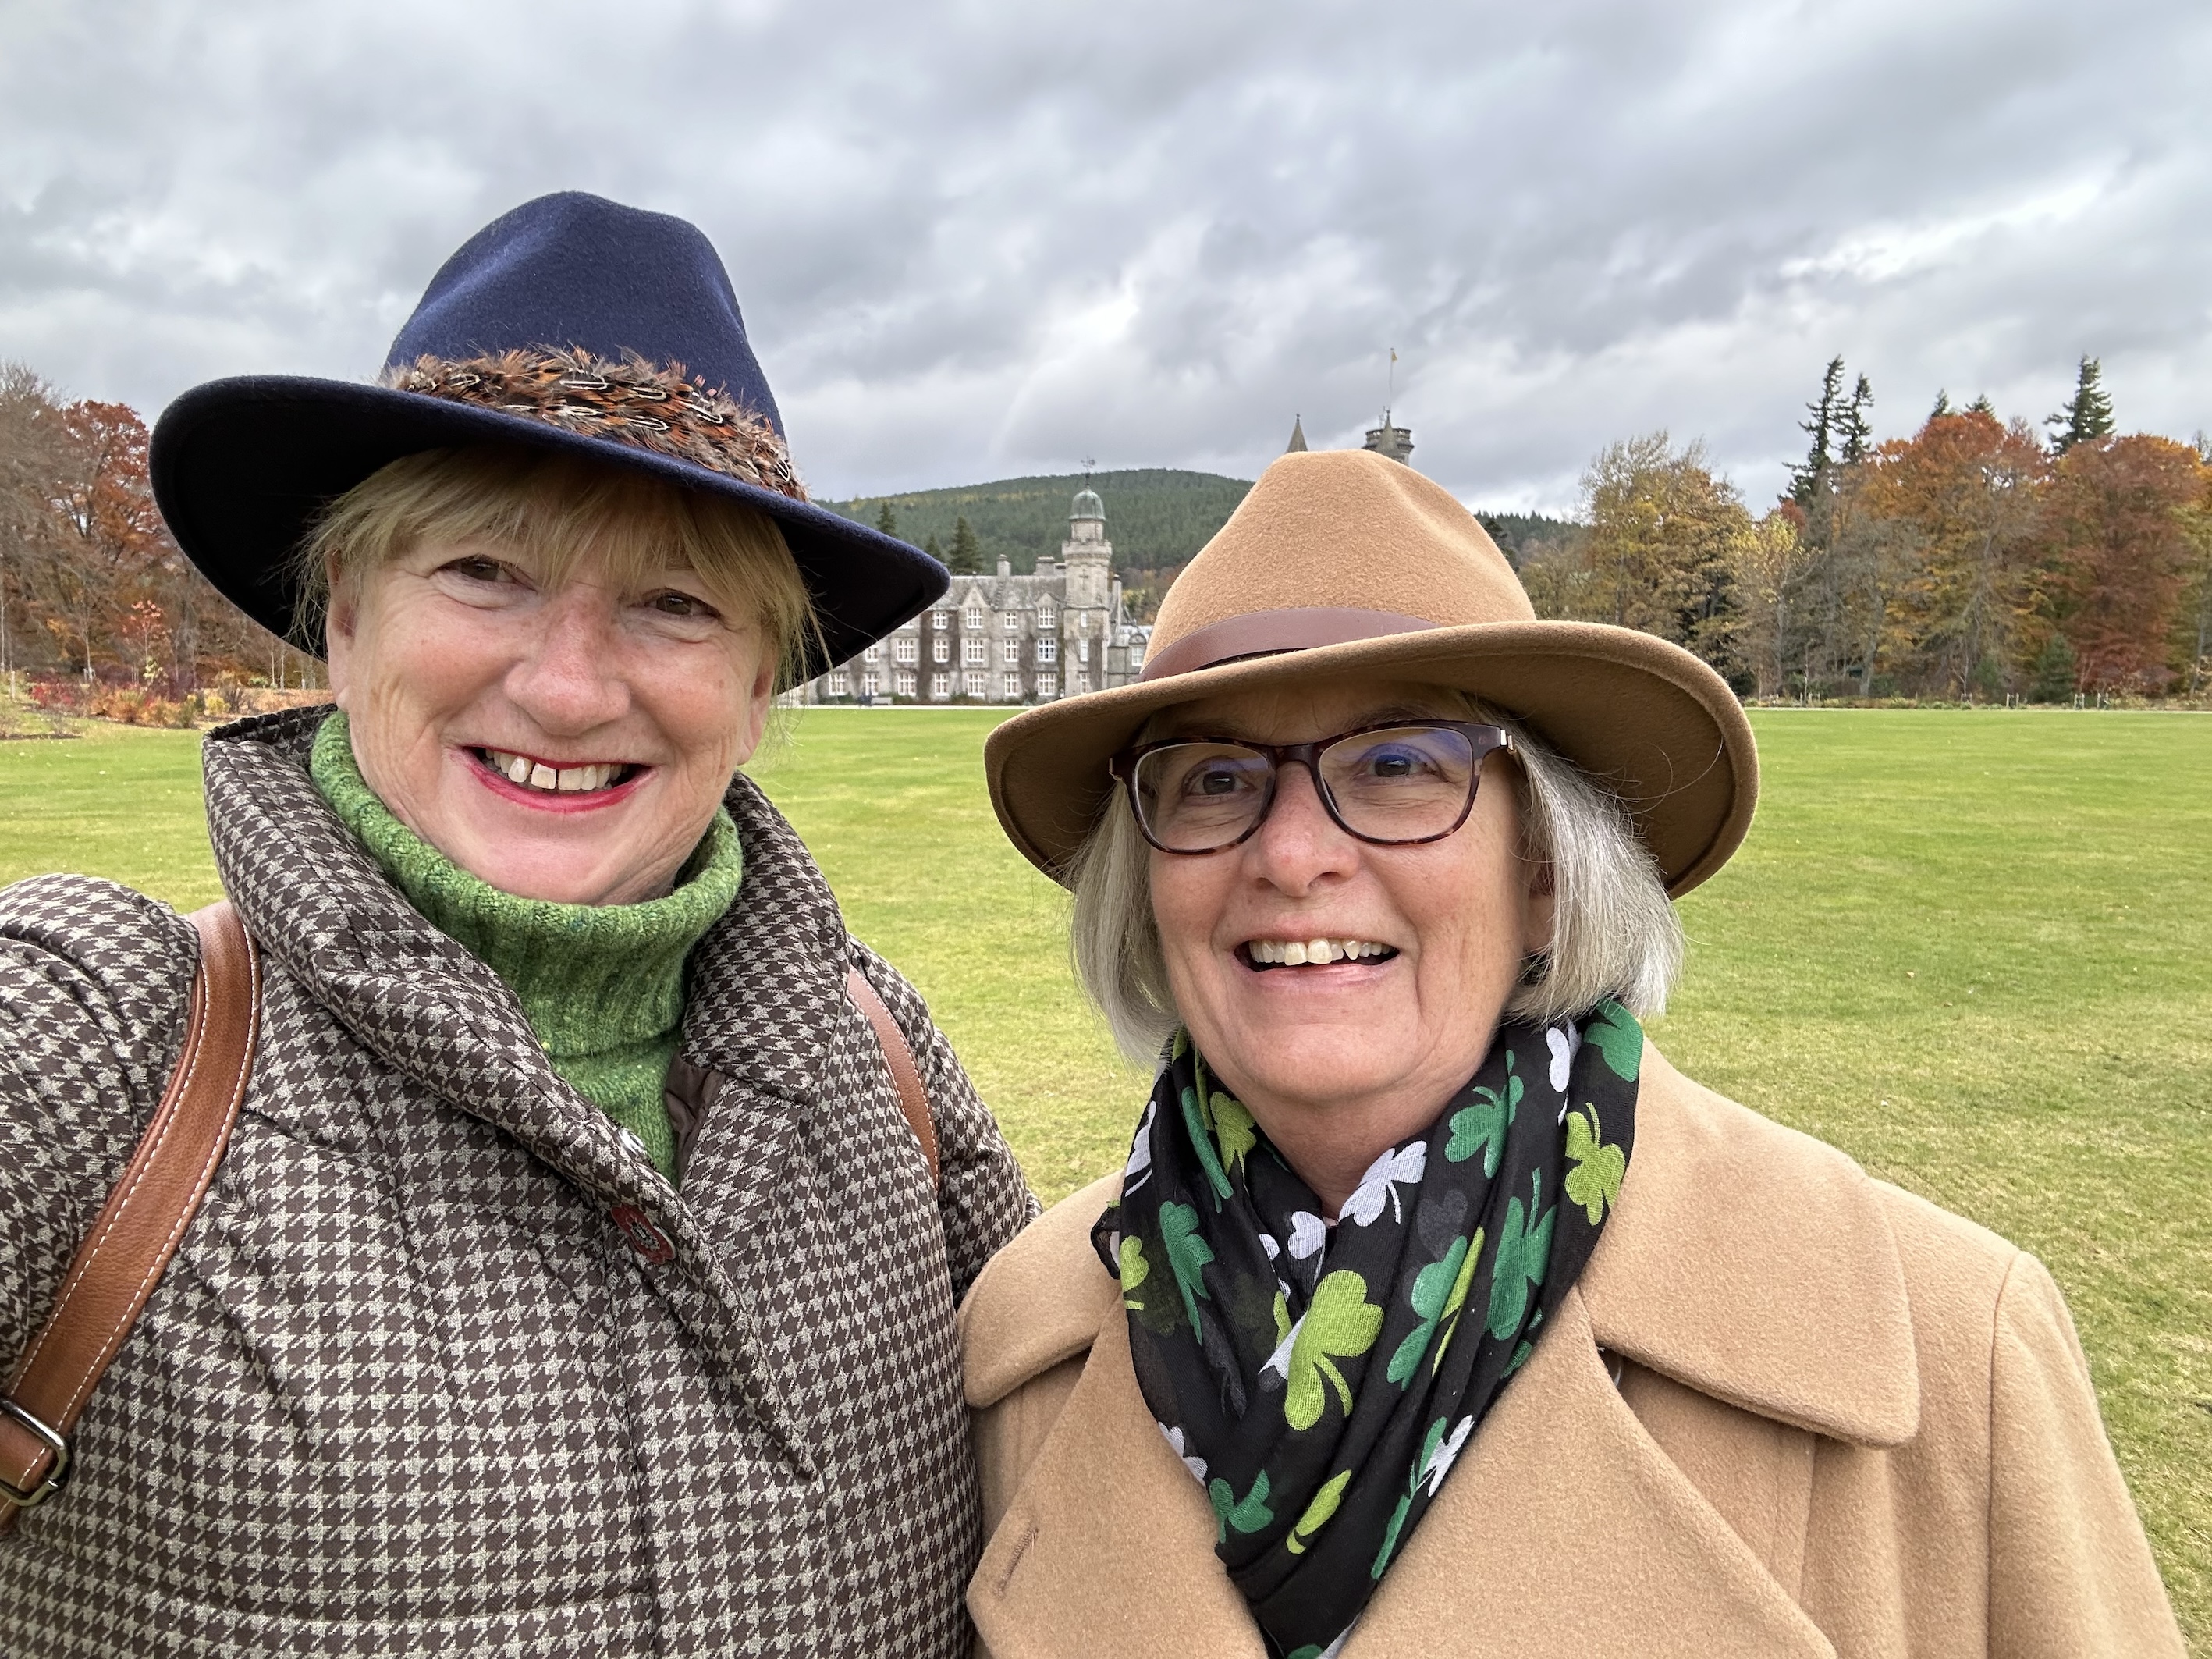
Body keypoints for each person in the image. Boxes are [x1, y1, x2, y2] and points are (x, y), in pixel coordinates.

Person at [0, 192, 1035, 1656]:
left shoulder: (881, 1056)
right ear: (346, 613)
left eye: (676, 603)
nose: (565, 687)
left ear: (755, 687)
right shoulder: (104, 1052)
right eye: (484, 569)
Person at [960, 449, 2182, 1657]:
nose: (1291, 856)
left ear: (1542, 869)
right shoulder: (1024, 1355)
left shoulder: (1954, 1356)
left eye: (1397, 765)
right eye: (1216, 778)